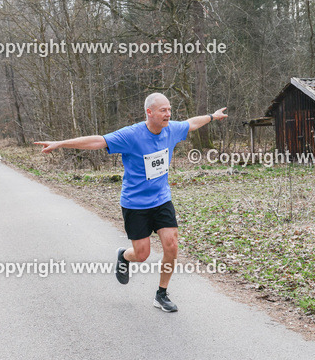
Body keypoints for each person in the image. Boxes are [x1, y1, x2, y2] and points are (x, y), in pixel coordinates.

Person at [35, 94, 227, 312]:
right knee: (142, 254)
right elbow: (98, 141)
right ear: (149, 112)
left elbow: (191, 123)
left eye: (169, 109)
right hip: (135, 203)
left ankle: (161, 294)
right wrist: (61, 144)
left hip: (161, 198)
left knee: (172, 245)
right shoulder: (131, 135)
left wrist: (212, 116)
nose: (168, 114)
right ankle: (124, 256)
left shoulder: (171, 129)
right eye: (163, 110)